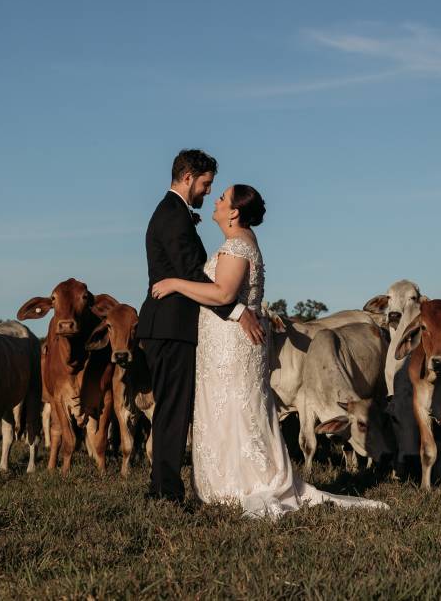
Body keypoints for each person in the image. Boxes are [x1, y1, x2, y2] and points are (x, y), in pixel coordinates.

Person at [151, 181, 387, 518]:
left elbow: (222, 294)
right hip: (227, 342)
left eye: (222, 197)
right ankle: (230, 480)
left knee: (236, 407)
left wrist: (174, 283)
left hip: (231, 344)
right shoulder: (241, 242)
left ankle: (242, 482)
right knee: (235, 407)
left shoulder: (236, 247)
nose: (215, 200)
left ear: (233, 212)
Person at [137, 149, 264, 504]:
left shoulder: (174, 213)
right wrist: (238, 312)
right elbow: (191, 275)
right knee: (173, 411)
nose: (209, 192)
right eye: (207, 184)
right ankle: (165, 492)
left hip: (173, 326)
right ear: (189, 176)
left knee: (174, 409)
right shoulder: (172, 216)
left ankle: (165, 486)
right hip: (170, 326)